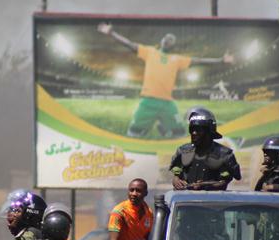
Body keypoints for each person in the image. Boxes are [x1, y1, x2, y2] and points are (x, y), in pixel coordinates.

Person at [98, 22, 234, 138]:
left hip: (167, 104)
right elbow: (129, 44)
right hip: (148, 101)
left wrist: (221, 60)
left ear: (173, 45)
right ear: (162, 41)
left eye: (171, 39)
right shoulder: (150, 52)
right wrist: (111, 33)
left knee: (179, 132)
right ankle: (153, 127)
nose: (168, 40)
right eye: (166, 38)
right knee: (134, 132)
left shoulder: (177, 59)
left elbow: (198, 61)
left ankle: (165, 128)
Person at [170, 108, 241, 190]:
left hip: (212, 201)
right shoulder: (183, 151)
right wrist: (176, 181)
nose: (194, 133)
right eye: (192, 129)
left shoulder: (224, 154)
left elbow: (227, 180)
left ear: (210, 131)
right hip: (185, 200)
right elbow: (176, 176)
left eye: (198, 130)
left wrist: (206, 185)